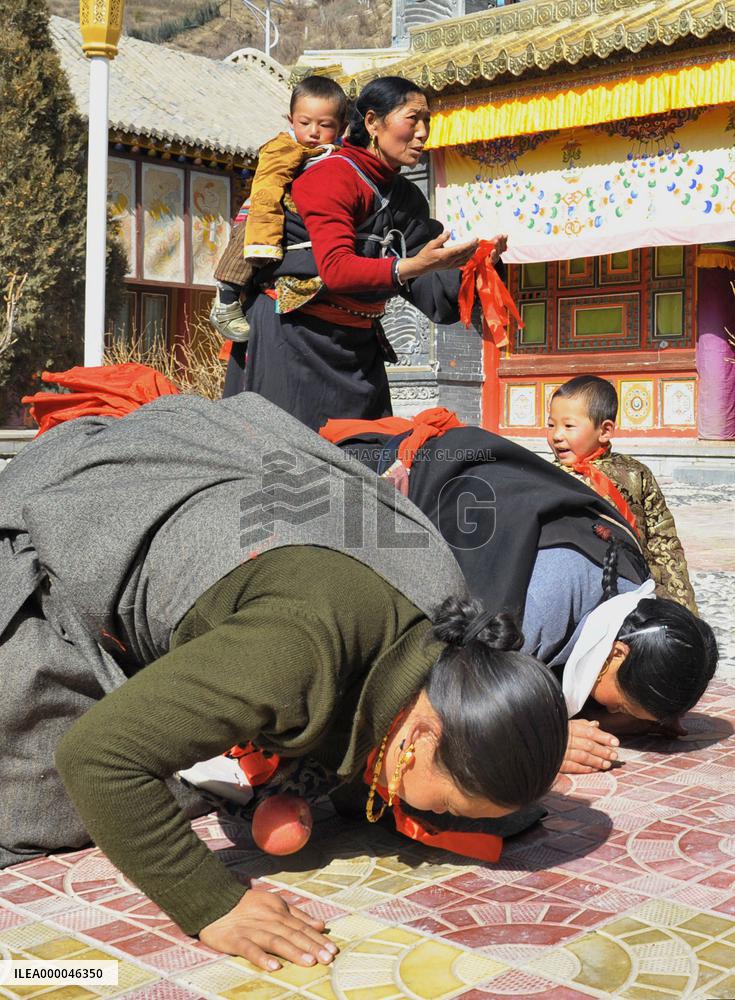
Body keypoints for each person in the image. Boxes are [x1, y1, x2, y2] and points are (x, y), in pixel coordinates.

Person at [0, 389, 567, 971]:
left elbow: (370, 703)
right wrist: (212, 904)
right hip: (88, 508)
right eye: (450, 805)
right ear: (420, 739)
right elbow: (98, 758)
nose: (438, 824)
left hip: (242, 508)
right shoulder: (295, 651)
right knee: (43, 800)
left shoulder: (452, 627)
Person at [320, 410, 718, 775]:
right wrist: (541, 742)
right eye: (622, 704)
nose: (615, 712)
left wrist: (646, 707)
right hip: (353, 483)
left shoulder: (631, 580)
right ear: (617, 652)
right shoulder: (528, 615)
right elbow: (454, 698)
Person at [223, 75, 508, 430]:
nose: (422, 132)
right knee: (285, 464)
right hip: (292, 336)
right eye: (412, 119)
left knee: (365, 462)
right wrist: (408, 266)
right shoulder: (331, 176)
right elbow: (336, 269)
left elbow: (435, 297)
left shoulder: (407, 199)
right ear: (372, 122)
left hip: (357, 347)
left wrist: (479, 267)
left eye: (427, 122)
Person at [210, 75, 349, 342]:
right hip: (267, 207)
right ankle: (226, 298)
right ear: (290, 120)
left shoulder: (337, 155)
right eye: (304, 123)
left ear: (342, 127)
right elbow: (268, 187)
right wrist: (266, 220)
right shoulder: (283, 149)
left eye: (325, 125)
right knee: (249, 240)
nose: (313, 132)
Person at [547, 375, 698, 613]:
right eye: (551, 425)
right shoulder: (547, 478)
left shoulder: (636, 474)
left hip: (639, 585)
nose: (556, 435)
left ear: (605, 430)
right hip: (577, 594)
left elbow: (664, 541)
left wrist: (682, 609)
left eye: (568, 426)